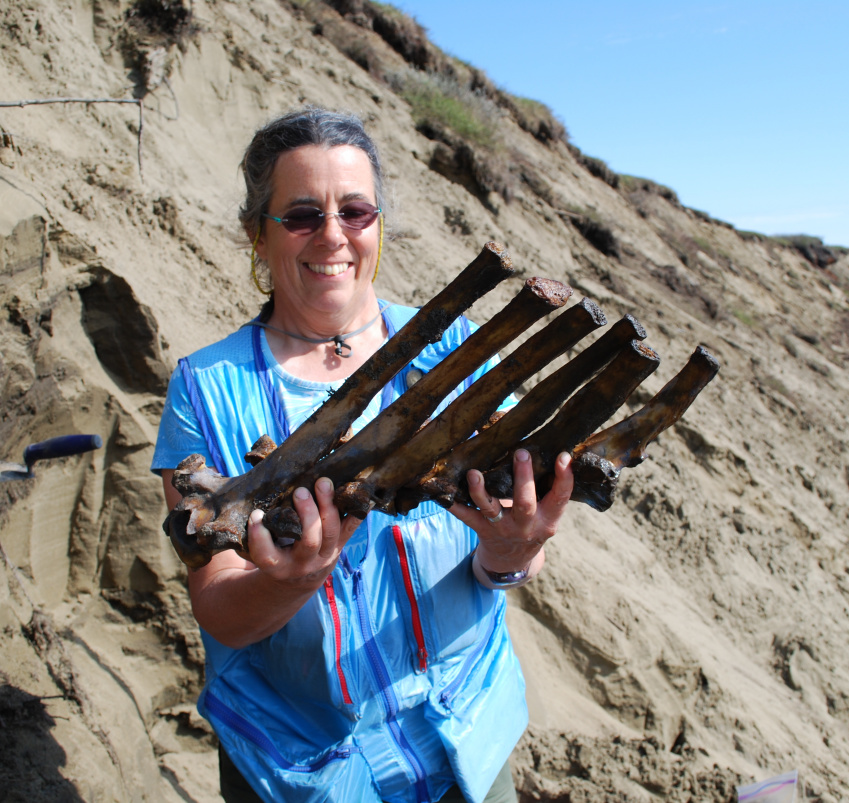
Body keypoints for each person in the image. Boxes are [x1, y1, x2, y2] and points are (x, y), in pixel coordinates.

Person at [152, 107, 574, 803]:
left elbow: (510, 553)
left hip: (467, 736)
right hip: (299, 768)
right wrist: (288, 583)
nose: (332, 236)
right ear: (258, 234)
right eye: (300, 215)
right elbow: (221, 608)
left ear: (378, 225)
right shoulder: (204, 389)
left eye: (355, 211)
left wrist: (513, 551)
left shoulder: (454, 353)